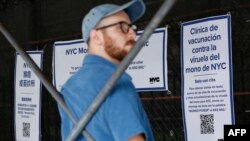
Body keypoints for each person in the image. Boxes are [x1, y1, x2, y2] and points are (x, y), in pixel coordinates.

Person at [58, 0, 155, 140]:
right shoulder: (115, 81)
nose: (133, 34)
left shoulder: (70, 86)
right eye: (122, 27)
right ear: (96, 37)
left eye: (132, 27)